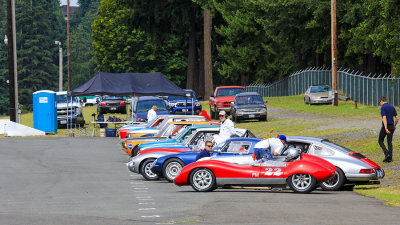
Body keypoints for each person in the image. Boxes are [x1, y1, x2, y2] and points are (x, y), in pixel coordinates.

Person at [378, 96, 398, 163]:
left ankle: (387, 154)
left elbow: (384, 117)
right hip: (392, 126)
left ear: (381, 101)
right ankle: (390, 158)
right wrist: (394, 126)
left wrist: (386, 128)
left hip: (386, 126)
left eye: (379, 102)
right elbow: (397, 118)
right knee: (389, 142)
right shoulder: (392, 107)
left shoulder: (383, 107)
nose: (380, 103)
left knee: (380, 141)